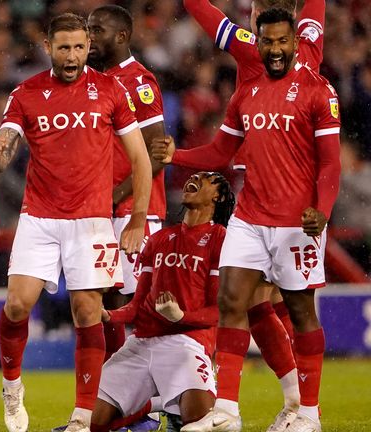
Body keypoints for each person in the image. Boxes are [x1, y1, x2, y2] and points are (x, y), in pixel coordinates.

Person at [152, 8, 341, 432]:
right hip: (250, 216)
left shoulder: (318, 90)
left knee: (300, 310)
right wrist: (176, 155)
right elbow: (221, 153)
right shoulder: (246, 92)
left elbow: (330, 165)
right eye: (266, 42)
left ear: (296, 43)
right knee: (232, 300)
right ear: (257, 43)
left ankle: (308, 412)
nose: (274, 49)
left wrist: (322, 212)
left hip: (297, 222)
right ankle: (227, 411)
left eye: (281, 42)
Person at [0, 13, 153, 432]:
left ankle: (82, 416)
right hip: (40, 217)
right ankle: (11, 387)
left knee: (87, 311)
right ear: (48, 47)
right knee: (17, 304)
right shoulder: (26, 93)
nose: (73, 56)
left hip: (92, 221)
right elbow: (7, 143)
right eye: (64, 47)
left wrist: (135, 218)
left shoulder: (110, 90)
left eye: (79, 47)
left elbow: (140, 158)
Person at [92, 171, 235, 432]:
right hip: (142, 342)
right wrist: (107, 315)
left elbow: (222, 311)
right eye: (195, 175)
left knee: (199, 424)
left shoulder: (221, 239)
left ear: (218, 195)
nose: (196, 177)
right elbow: (137, 306)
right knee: (93, 422)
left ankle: (160, 404)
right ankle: (153, 406)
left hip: (187, 343)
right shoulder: (160, 238)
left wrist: (181, 318)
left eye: (206, 178)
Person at [87, 2, 168, 366]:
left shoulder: (139, 81)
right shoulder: (95, 81)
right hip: (103, 209)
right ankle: (116, 404)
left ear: (121, 36)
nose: (89, 38)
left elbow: (156, 154)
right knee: (104, 302)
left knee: (134, 305)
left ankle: (149, 407)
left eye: (97, 30)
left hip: (137, 209)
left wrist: (114, 195)